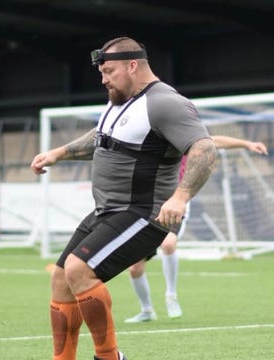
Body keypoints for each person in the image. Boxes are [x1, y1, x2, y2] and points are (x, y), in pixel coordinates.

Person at [31, 36, 217, 360]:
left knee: (79, 270)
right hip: (107, 211)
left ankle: (109, 357)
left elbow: (205, 149)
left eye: (109, 71)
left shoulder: (165, 102)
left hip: (144, 214)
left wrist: (181, 197)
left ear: (133, 65)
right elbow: (102, 137)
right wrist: (59, 153)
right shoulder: (121, 100)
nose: (103, 80)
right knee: (61, 278)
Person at [125, 136, 268, 323]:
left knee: (168, 244)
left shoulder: (185, 138)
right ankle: (147, 310)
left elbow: (213, 141)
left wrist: (248, 143)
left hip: (176, 201)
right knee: (135, 267)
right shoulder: (150, 142)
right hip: (149, 205)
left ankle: (171, 295)